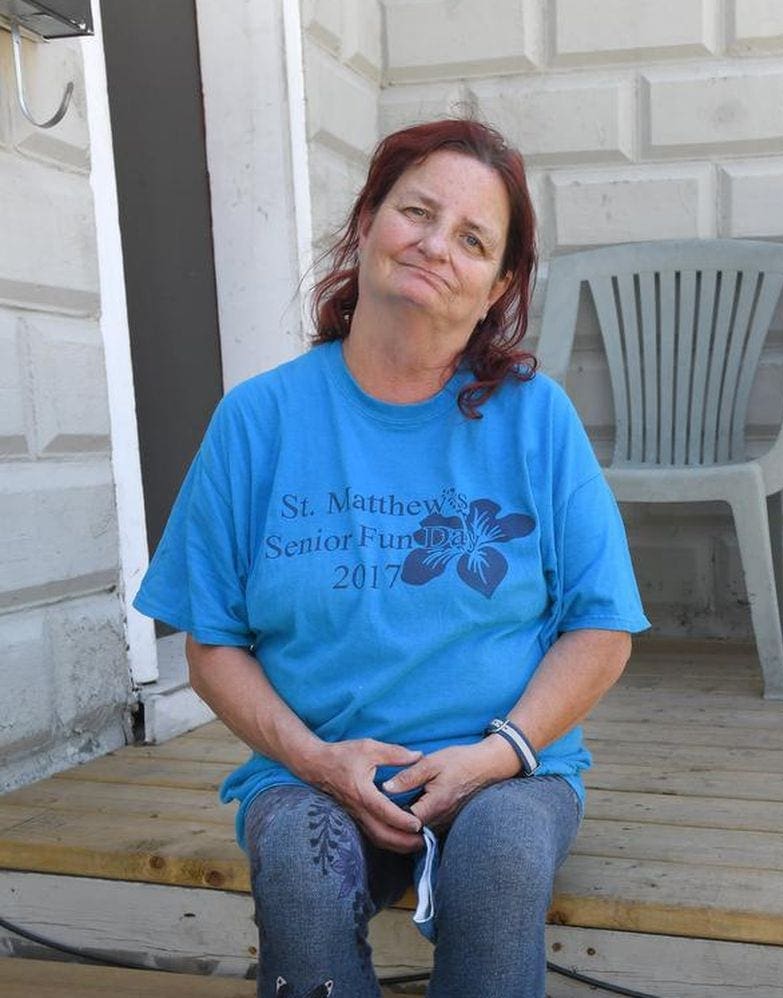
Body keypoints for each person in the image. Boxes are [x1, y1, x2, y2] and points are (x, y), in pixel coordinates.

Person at [134, 118, 649, 998]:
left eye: (474, 239)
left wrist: (495, 754)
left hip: (504, 771)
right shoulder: (258, 421)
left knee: (496, 869)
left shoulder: (535, 419)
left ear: (497, 286)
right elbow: (211, 644)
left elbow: (602, 628)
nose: (436, 246)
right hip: (313, 772)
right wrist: (316, 761)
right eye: (417, 212)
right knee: (297, 868)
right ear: (369, 219)